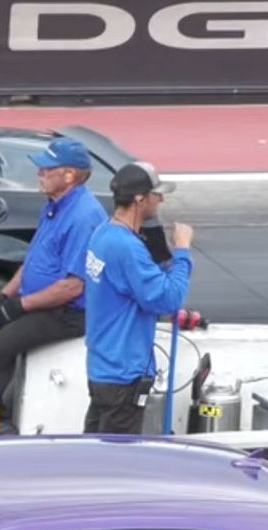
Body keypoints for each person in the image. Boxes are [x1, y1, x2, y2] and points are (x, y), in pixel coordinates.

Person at [0, 137, 107, 438]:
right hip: (41, 303)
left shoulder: (84, 217)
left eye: (46, 168)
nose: (39, 173)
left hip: (66, 314)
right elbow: (33, 262)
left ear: (68, 175)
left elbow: (71, 287)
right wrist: (3, 297)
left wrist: (19, 307)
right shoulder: (55, 207)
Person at [80, 161, 196, 435]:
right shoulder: (127, 247)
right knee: (116, 465)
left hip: (101, 368)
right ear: (140, 198)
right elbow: (167, 299)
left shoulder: (103, 233)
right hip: (123, 374)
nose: (161, 199)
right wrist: (182, 251)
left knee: (91, 455)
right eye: (157, 194)